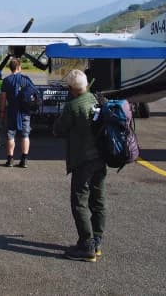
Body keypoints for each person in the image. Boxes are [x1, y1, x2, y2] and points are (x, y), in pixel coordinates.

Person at [52, 69, 105, 262]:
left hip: (82, 159)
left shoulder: (72, 106)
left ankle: (86, 244)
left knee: (79, 201)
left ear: (71, 88)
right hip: (101, 157)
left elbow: (58, 129)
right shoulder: (96, 99)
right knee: (98, 199)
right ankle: (97, 241)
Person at [0, 58, 36, 168]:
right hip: (25, 111)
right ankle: (24, 160)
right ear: (19, 67)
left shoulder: (6, 80)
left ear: (10, 68)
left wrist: (1, 111)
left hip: (12, 110)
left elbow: (3, 98)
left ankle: (10, 159)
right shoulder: (26, 79)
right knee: (25, 135)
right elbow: (33, 94)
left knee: (10, 135)